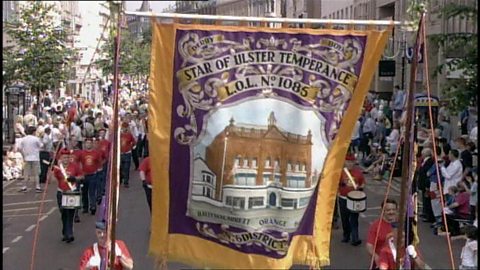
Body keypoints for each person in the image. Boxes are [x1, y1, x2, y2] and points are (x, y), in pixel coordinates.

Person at [52, 150, 83, 243]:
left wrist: (75, 178)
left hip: (71, 193)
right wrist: (53, 169)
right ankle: (65, 231)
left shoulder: (74, 166)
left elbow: (82, 176)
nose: (66, 159)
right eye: (64, 158)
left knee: (71, 213)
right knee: (63, 213)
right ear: (60, 159)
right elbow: (53, 180)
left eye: (67, 157)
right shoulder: (58, 168)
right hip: (61, 193)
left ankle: (70, 233)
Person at [338, 154, 365, 246]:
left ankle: (355, 238)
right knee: (344, 219)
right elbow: (336, 185)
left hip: (354, 199)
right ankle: (346, 236)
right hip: (343, 198)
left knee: (354, 219)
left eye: (351, 162)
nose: (349, 164)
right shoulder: (341, 172)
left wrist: (359, 188)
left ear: (354, 162)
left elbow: (363, 184)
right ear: (345, 162)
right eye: (348, 162)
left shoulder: (358, 173)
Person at [366, 198, 398, 269]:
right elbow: (369, 246)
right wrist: (376, 257)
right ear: (382, 211)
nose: (391, 212)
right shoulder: (375, 226)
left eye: (393, 209)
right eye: (388, 210)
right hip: (382, 263)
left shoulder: (401, 224)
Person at [79, 138, 103, 215]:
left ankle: (93, 206)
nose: (88, 144)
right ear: (85, 144)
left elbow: (99, 164)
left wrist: (99, 170)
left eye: (90, 143)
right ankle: (85, 207)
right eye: (87, 143)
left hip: (93, 175)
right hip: (84, 176)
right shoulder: (82, 153)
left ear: (92, 144)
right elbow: (79, 163)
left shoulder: (96, 153)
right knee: (84, 192)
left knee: (92, 192)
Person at [18, 126, 43, 193]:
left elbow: (19, 148)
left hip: (27, 158)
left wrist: (24, 155)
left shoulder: (23, 139)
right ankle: (37, 187)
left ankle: (24, 187)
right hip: (35, 158)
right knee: (36, 173)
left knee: (26, 173)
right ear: (33, 132)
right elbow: (41, 146)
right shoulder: (36, 139)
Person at [120, 122, 136, 188]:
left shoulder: (129, 135)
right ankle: (121, 179)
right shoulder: (119, 135)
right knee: (120, 168)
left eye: (125, 127)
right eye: (123, 127)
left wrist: (131, 147)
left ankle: (126, 182)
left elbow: (134, 142)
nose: (124, 129)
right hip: (120, 154)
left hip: (127, 154)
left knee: (126, 168)